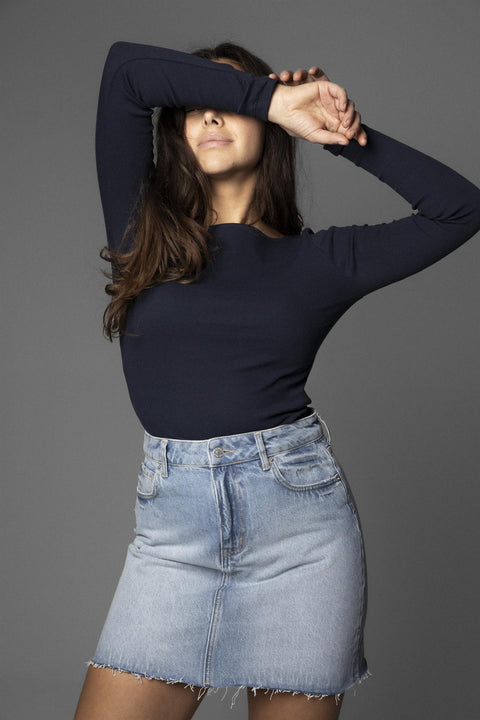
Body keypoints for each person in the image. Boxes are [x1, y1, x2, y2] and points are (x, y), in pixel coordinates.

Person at [73, 40, 480, 720]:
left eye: (229, 101)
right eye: (195, 104)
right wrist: (267, 96)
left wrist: (340, 133)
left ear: (272, 131)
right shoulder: (142, 233)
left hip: (300, 536)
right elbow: (125, 70)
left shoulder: (320, 260)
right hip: (173, 541)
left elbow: (460, 208)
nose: (211, 115)